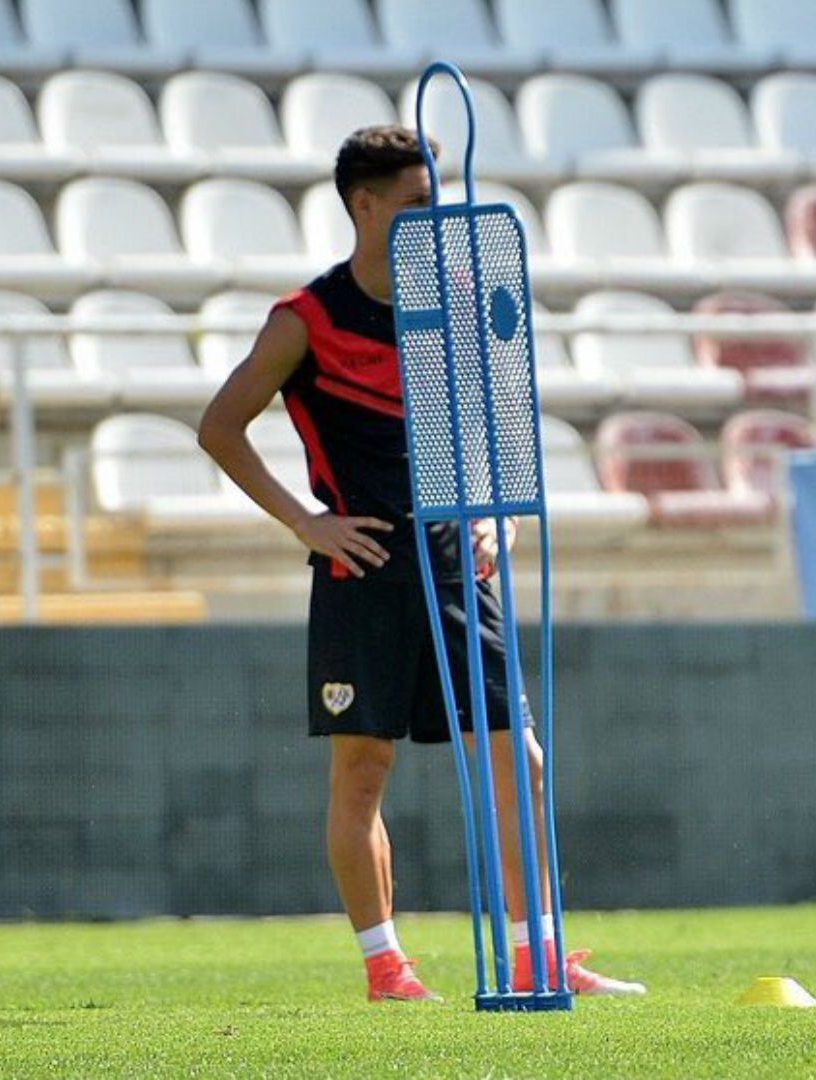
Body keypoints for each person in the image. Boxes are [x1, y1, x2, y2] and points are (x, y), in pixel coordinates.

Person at [198, 125, 645, 1003]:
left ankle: (538, 957)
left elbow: (483, 430)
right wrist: (306, 523)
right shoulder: (307, 319)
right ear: (364, 205)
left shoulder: (454, 302)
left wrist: (498, 521)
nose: (436, 219)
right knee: (364, 768)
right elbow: (220, 426)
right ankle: (386, 967)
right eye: (417, 203)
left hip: (453, 560)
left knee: (521, 760)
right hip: (361, 569)